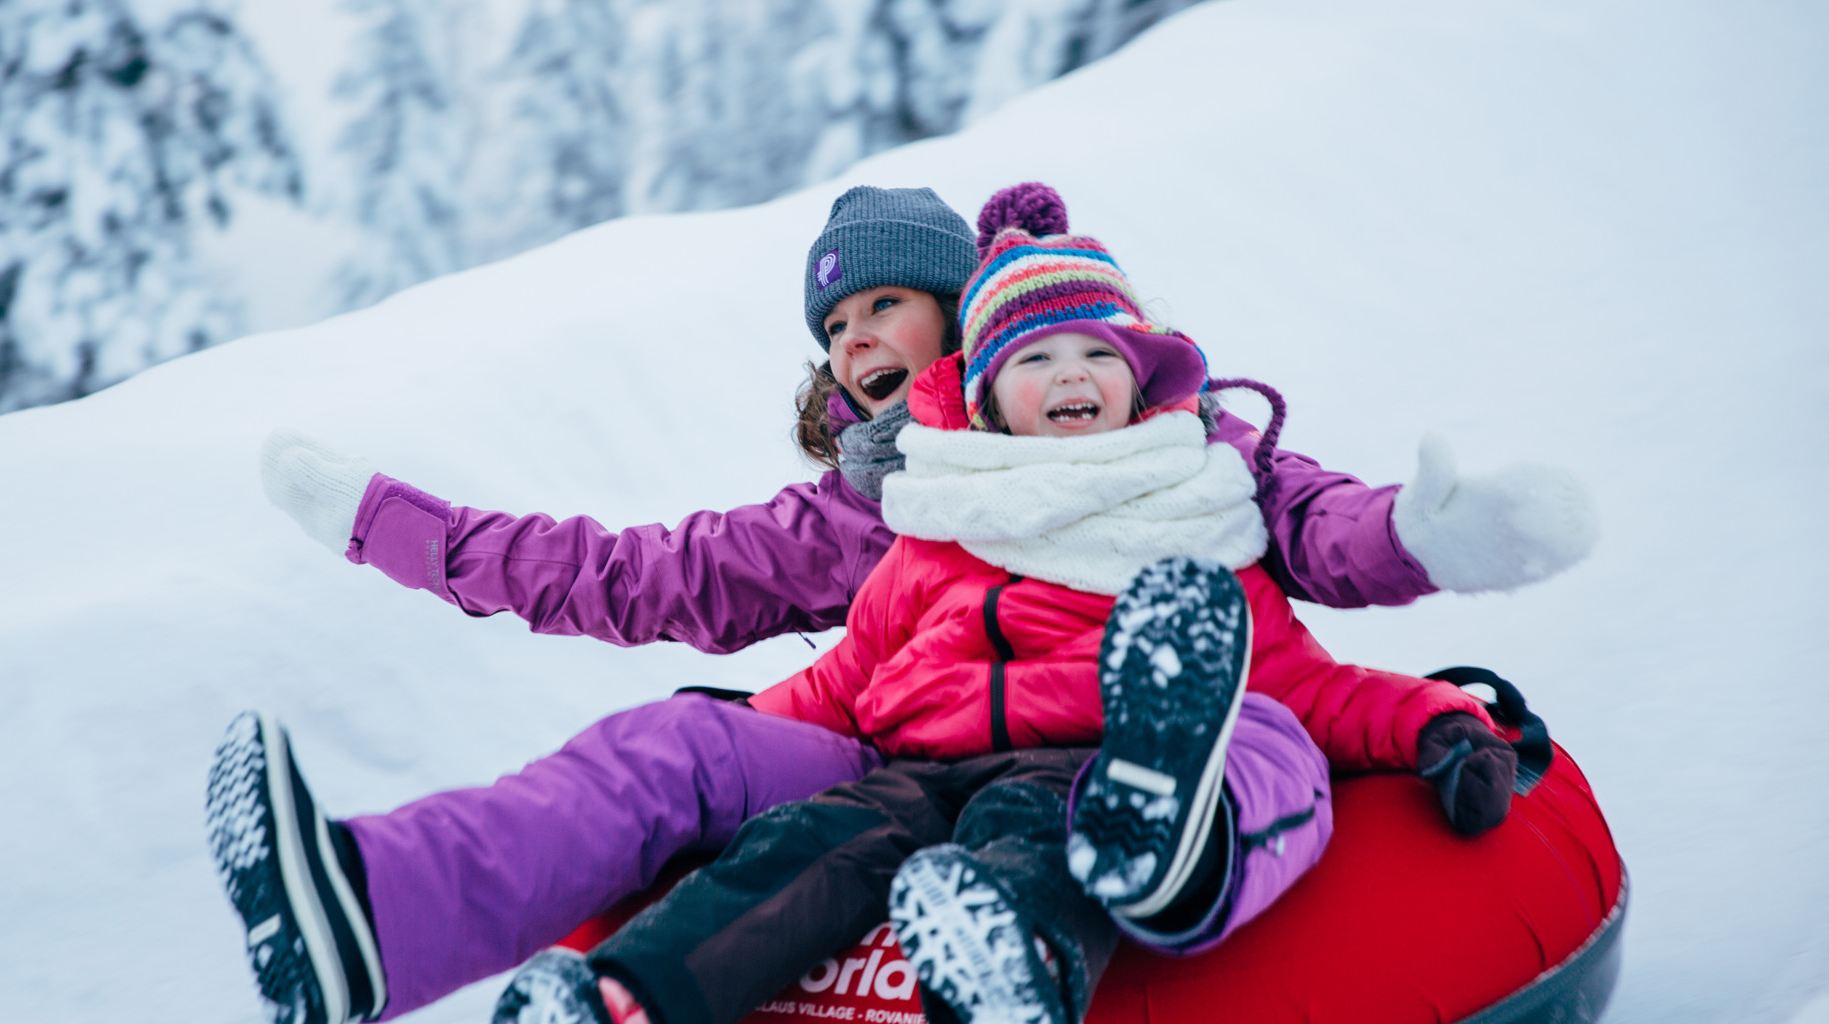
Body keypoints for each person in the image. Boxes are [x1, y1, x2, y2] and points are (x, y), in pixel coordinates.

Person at [206, 185, 1596, 1024]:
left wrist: (1430, 550)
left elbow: (1323, 549)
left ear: (964, 321)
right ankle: (376, 918)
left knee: (1248, 735)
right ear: (979, 383)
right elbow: (654, 588)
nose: (855, 344)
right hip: (908, 751)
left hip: (1118, 737)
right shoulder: (887, 509)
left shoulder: (1192, 460)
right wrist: (397, 528)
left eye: (884, 306)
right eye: (833, 328)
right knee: (702, 755)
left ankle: (1157, 849)